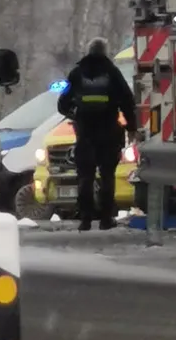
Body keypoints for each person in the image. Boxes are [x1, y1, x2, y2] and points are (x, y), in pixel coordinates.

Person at [57, 37, 138, 231]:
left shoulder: (77, 73)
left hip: (85, 133)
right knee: (107, 176)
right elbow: (127, 101)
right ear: (105, 52)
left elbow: (62, 104)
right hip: (109, 131)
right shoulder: (112, 72)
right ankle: (105, 219)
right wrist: (132, 127)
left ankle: (85, 219)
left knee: (85, 176)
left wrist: (75, 114)